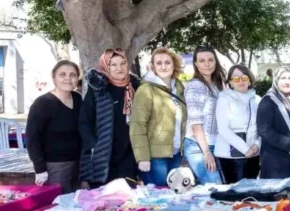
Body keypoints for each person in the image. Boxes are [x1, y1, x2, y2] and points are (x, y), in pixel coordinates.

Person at [79, 49, 140, 187]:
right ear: (106, 67)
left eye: (123, 63)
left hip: (129, 155)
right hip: (103, 155)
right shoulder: (98, 90)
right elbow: (84, 121)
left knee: (128, 199)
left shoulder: (137, 87)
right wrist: (93, 146)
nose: (119, 68)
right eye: (113, 65)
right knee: (103, 201)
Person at [130, 48, 187, 187]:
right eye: (159, 63)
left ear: (174, 65)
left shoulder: (178, 87)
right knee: (158, 199)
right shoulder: (146, 90)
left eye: (167, 62)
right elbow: (137, 125)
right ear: (153, 66)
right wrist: (142, 157)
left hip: (175, 154)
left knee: (174, 197)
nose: (163, 66)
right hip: (155, 157)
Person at [28, 60, 83, 193]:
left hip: (79, 164)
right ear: (54, 77)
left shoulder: (77, 98)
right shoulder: (43, 103)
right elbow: (32, 138)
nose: (68, 78)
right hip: (55, 166)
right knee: (58, 205)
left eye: (73, 75)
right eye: (62, 74)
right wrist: (39, 168)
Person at [182, 45, 226, 184]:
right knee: (215, 188)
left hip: (214, 144)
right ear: (195, 63)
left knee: (218, 191)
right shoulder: (195, 86)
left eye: (210, 60)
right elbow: (196, 123)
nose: (207, 64)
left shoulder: (216, 85)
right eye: (201, 60)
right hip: (198, 146)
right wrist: (206, 153)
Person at [215, 64, 261, 183]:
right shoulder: (224, 99)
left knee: (251, 194)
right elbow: (223, 129)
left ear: (250, 80)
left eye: (244, 77)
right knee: (236, 196)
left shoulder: (257, 100)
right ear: (230, 82)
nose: (240, 81)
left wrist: (258, 144)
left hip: (253, 155)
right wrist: (245, 149)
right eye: (235, 78)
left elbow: (263, 127)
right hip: (231, 157)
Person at [257, 66, 290, 179]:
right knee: (280, 195)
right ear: (276, 80)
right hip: (275, 161)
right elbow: (264, 130)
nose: (287, 82)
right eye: (283, 78)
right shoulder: (268, 101)